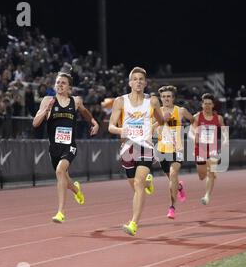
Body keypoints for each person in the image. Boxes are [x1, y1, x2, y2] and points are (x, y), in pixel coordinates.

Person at [32, 67, 99, 223]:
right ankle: (76, 190)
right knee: (63, 177)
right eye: (57, 83)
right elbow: (35, 123)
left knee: (60, 171)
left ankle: (61, 212)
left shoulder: (75, 101)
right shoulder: (48, 101)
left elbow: (85, 113)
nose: (60, 85)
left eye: (63, 83)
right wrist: (45, 111)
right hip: (54, 147)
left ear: (70, 87)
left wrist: (94, 123)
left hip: (70, 146)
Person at [108, 67, 165, 236]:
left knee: (138, 184)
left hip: (145, 147)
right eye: (135, 79)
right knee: (136, 186)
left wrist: (154, 126)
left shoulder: (153, 101)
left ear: (145, 83)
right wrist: (121, 131)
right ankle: (148, 183)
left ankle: (133, 223)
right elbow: (111, 126)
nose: (138, 81)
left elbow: (161, 120)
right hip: (127, 148)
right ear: (130, 83)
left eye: (141, 79)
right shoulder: (120, 101)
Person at [154, 85, 194, 220]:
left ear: (173, 98)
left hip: (177, 149)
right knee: (172, 179)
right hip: (162, 150)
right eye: (163, 96)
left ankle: (172, 207)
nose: (166, 99)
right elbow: (151, 129)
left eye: (168, 96)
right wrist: (161, 120)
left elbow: (193, 120)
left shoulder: (180, 111)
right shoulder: (156, 111)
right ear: (160, 98)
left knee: (173, 174)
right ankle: (179, 186)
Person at [191, 93, 228, 205]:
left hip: (212, 148)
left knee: (211, 171)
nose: (207, 106)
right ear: (202, 105)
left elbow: (224, 131)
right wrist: (194, 138)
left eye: (209, 104)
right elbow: (191, 132)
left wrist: (226, 139)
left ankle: (206, 196)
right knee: (202, 175)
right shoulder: (197, 117)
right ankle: (209, 172)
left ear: (213, 105)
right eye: (205, 103)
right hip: (200, 148)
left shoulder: (218, 118)